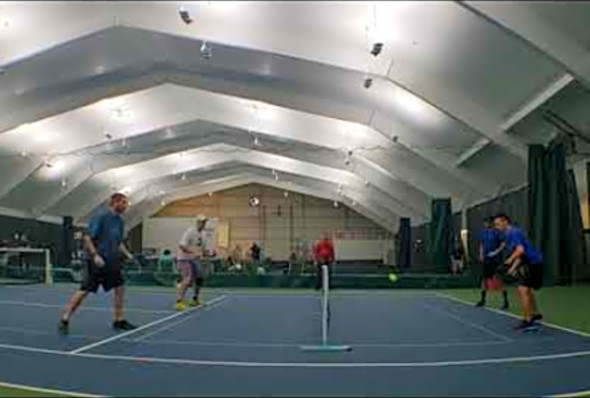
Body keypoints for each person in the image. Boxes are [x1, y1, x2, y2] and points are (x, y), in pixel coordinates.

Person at [58, 193, 136, 334]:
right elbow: (87, 238)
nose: (126, 206)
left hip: (112, 261)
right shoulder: (101, 217)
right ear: (115, 202)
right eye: (124, 203)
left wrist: (128, 254)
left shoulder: (120, 221)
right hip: (96, 260)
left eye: (126, 203)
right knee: (85, 290)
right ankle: (65, 318)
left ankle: (118, 320)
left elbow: (118, 242)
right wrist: (95, 256)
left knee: (120, 287)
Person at [494, 213, 544, 331]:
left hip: (534, 262)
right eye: (495, 225)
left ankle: (528, 320)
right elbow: (520, 254)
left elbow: (520, 251)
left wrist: (508, 262)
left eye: (498, 224)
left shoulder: (514, 232)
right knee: (527, 289)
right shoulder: (508, 234)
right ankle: (536, 314)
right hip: (528, 262)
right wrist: (512, 268)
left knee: (523, 289)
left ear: (505, 221)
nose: (496, 227)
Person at [175, 215, 211, 311]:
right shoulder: (190, 232)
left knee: (199, 279)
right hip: (184, 259)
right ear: (197, 222)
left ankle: (195, 299)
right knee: (187, 279)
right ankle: (179, 302)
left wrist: (209, 254)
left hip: (195, 260)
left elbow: (205, 249)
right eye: (201, 222)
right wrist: (193, 252)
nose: (203, 224)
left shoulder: (204, 234)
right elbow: (182, 246)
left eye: (204, 222)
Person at [476, 217, 509, 309]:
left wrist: (496, 252)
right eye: (484, 222)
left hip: (496, 260)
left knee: (498, 279)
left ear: (491, 223)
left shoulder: (497, 232)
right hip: (486, 260)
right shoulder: (484, 232)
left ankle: (505, 301)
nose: (485, 224)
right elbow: (481, 244)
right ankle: (482, 300)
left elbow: (503, 244)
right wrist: (481, 254)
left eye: (487, 222)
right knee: (484, 280)